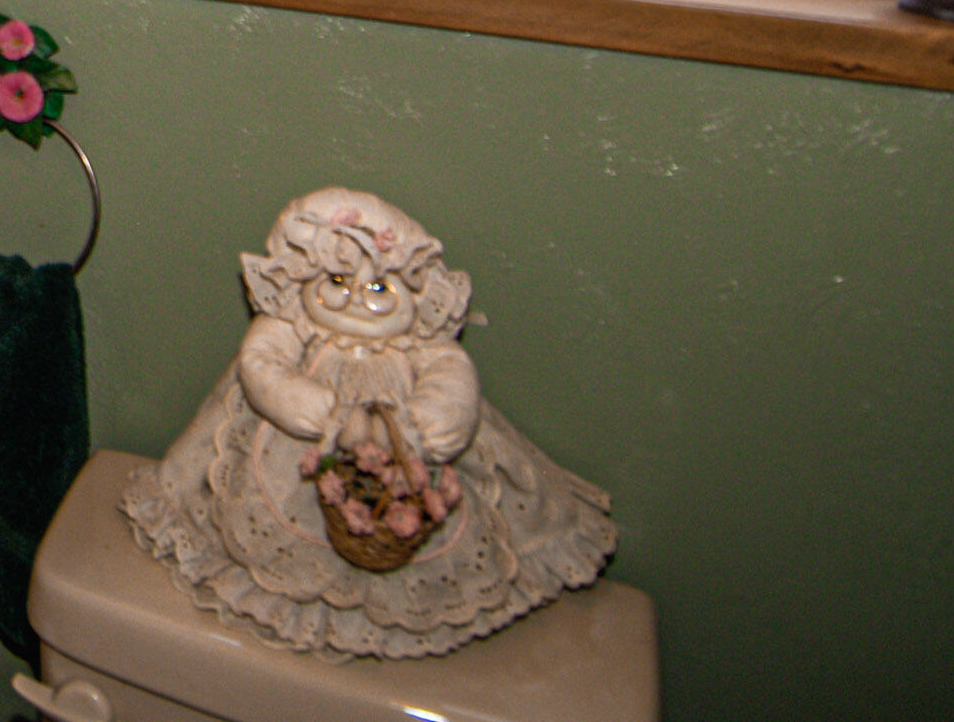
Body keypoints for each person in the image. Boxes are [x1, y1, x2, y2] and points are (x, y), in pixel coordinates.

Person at [124, 188, 615, 659]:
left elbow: (453, 389)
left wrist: (418, 432)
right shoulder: (292, 324)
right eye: (336, 283)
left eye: (379, 287)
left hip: (403, 461)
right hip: (296, 454)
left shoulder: (424, 346)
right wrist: (329, 415)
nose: (356, 299)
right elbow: (262, 369)